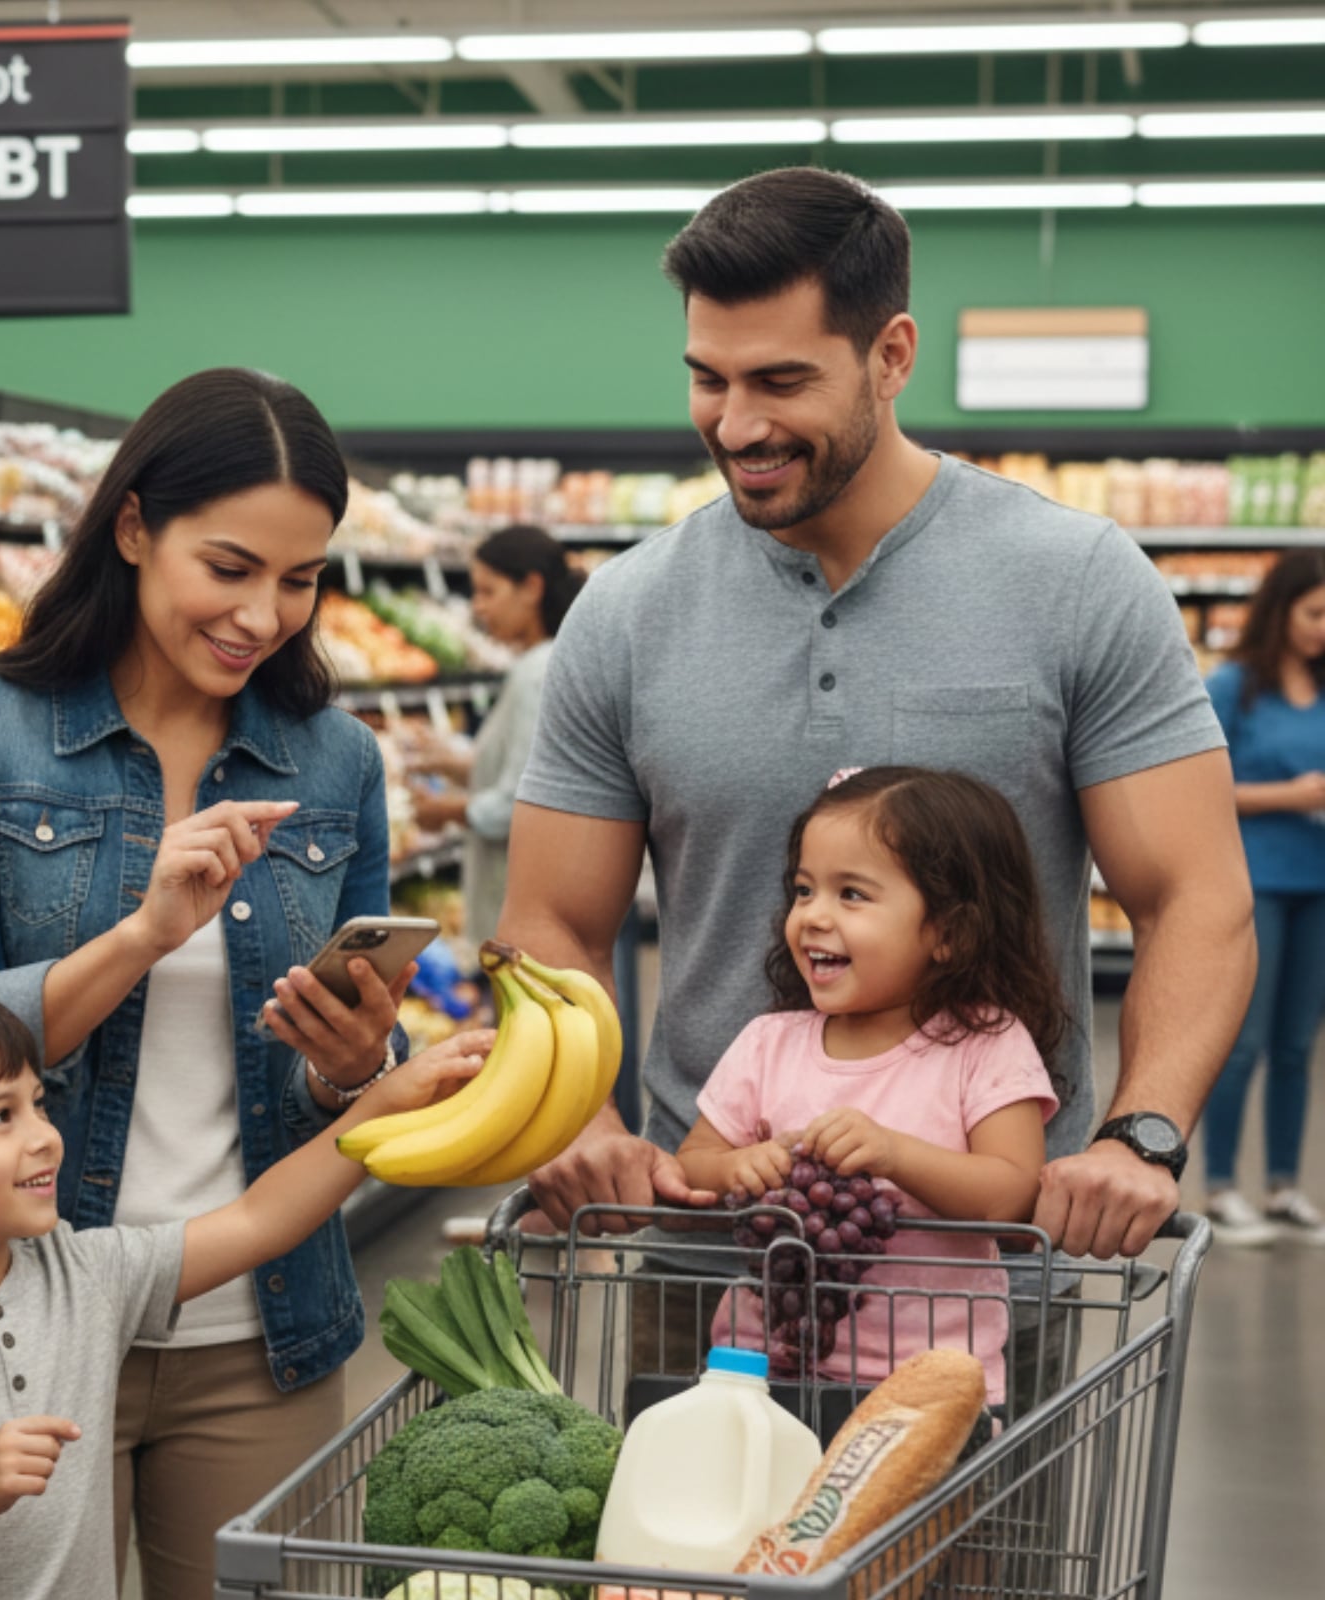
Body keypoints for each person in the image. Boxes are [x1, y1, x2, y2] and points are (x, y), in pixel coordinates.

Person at [499, 168, 1254, 1301]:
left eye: (781, 380)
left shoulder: (1076, 581)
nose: (737, 424)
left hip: (982, 1273)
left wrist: (1139, 1135)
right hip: (705, 1251)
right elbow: (552, 916)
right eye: (708, 379)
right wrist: (582, 1118)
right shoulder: (628, 610)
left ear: (892, 355)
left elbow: (1195, 894)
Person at [0, 367, 414, 1599]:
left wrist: (358, 1064)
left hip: (263, 1330)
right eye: (228, 568)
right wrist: (139, 932)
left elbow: (333, 1077)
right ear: (133, 527)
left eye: (300, 579)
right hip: (20, 1324)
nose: (264, 614)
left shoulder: (336, 764)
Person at [0, 983, 488, 1599]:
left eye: (38, 1104)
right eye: (1, 1117)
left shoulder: (85, 1275)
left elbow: (258, 1220)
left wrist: (384, 1102)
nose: (45, 1138)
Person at [679, 767, 1063, 1406]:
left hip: (931, 1393)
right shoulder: (767, 1043)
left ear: (949, 933)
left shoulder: (985, 1044)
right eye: (804, 891)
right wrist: (738, 1168)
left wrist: (894, 1155)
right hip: (756, 1378)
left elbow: (1015, 1199)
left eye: (851, 895)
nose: (813, 917)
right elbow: (691, 1163)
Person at [1200, 550, 1325, 1244]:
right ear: (1281, 610)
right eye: (1314, 613)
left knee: (1297, 1046)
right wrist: (1291, 794)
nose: (1324, 628)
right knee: (1242, 1042)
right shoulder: (1233, 688)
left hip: (1318, 883)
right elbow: (1201, 786)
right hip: (1254, 884)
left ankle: (1283, 1186)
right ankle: (1219, 1187)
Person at [409, 525, 583, 946]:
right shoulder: (550, 659)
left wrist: (445, 812)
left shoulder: (536, 674)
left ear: (531, 587)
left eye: (488, 591)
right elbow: (531, 768)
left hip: (520, 901)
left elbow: (519, 800)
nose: (478, 607)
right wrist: (453, 765)